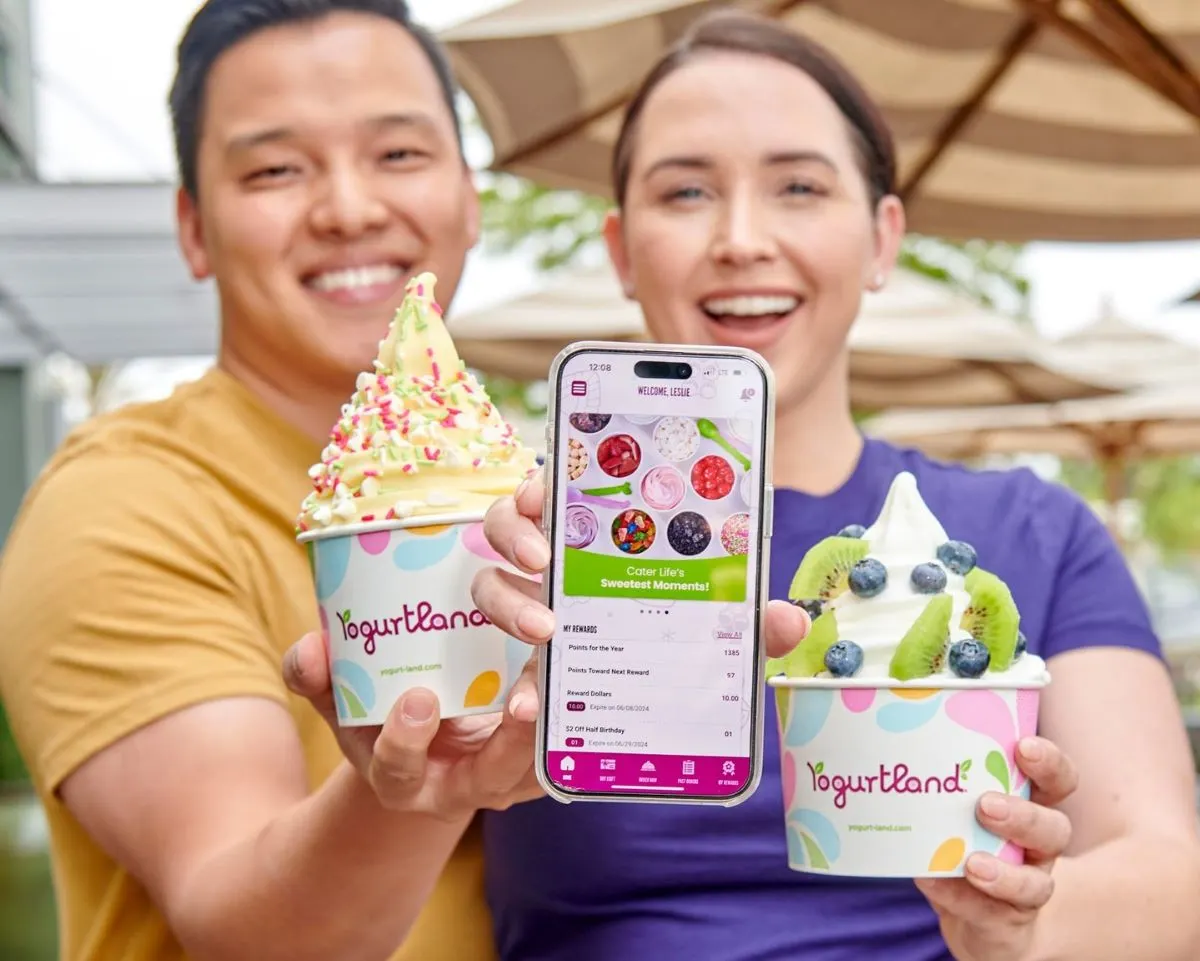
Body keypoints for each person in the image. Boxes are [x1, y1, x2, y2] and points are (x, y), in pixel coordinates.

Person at [470, 10, 1200, 961]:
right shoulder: (521, 552)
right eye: (686, 190)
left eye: (800, 187)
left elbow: (1169, 878)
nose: (741, 237)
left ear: (882, 237)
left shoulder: (1034, 529)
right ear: (620, 247)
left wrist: (1018, 922)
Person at [0, 2, 580, 959]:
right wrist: (416, 790)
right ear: (193, 227)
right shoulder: (123, 502)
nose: (349, 207)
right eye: (275, 169)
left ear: (470, 199)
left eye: (397, 154)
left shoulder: (529, 500)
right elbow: (246, 925)